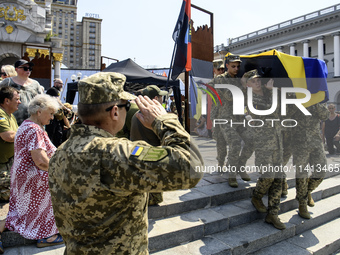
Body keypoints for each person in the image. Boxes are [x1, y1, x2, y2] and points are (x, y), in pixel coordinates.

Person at [48, 72, 204, 254]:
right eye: (126, 105)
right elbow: (191, 166)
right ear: (115, 111)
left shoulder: (61, 151)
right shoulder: (115, 153)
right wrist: (164, 121)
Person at [0, 94, 63, 253]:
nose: (52, 117)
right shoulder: (34, 129)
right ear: (39, 111)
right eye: (50, 113)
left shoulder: (26, 125)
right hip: (34, 178)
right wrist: (58, 172)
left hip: (25, 176)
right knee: (45, 206)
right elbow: (40, 160)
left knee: (19, 214)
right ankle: (47, 236)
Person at [243, 70, 285, 230]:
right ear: (247, 84)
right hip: (263, 142)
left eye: (258, 79)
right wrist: (272, 91)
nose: (257, 82)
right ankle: (257, 196)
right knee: (268, 175)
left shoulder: (269, 94)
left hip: (277, 141)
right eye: (253, 81)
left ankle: (273, 214)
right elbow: (268, 111)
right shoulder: (250, 99)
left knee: (278, 178)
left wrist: (274, 92)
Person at [208, 54, 254, 188]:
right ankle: (231, 174)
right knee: (232, 143)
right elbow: (230, 96)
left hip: (240, 117)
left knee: (251, 140)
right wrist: (244, 86)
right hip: (225, 118)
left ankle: (240, 165)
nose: (236, 69)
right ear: (227, 65)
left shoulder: (239, 80)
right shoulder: (221, 80)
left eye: (238, 66)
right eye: (233, 66)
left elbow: (246, 99)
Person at [130, 85, 168, 206]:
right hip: (153, 157)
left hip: (137, 154)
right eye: (161, 97)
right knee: (156, 197)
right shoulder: (156, 117)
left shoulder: (136, 114)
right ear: (156, 98)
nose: (162, 99)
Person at [292, 102, 329, 219]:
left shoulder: (317, 98)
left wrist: (317, 103)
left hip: (315, 142)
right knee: (301, 173)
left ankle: (307, 191)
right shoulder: (293, 96)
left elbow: (325, 116)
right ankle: (302, 203)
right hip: (299, 142)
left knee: (321, 171)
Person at [0, 60, 44, 125]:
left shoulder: (35, 84)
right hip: (11, 119)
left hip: (31, 121)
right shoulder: (8, 82)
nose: (28, 70)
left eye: (30, 69)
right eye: (25, 68)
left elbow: (41, 101)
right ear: (16, 69)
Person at [0, 87, 20, 202]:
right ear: (7, 101)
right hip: (2, 166)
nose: (19, 102)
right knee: (7, 196)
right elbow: (8, 136)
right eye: (17, 99)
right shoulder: (1, 114)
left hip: (8, 164)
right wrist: (26, 131)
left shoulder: (10, 115)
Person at [45, 78, 71, 147]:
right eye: (60, 84)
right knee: (53, 134)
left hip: (55, 117)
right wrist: (66, 109)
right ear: (55, 83)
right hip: (52, 116)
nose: (61, 85)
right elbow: (58, 102)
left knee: (58, 133)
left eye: (62, 84)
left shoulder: (55, 91)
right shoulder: (53, 90)